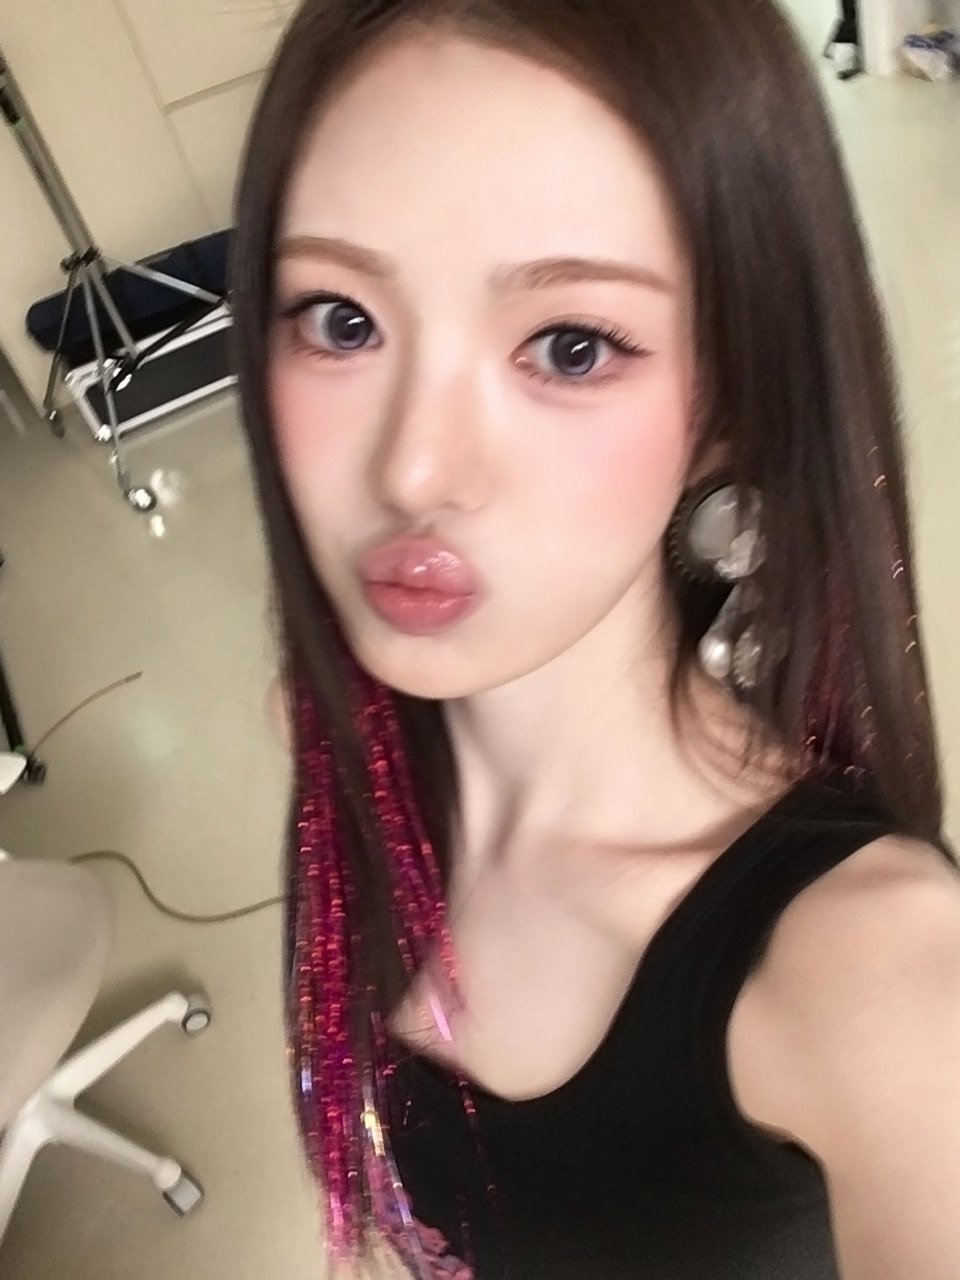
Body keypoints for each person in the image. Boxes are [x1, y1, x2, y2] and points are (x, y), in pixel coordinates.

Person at [232, 1, 960, 1276]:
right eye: (341, 320)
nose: (414, 468)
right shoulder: (359, 763)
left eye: (570, 348)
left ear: (731, 399)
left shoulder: (882, 980)